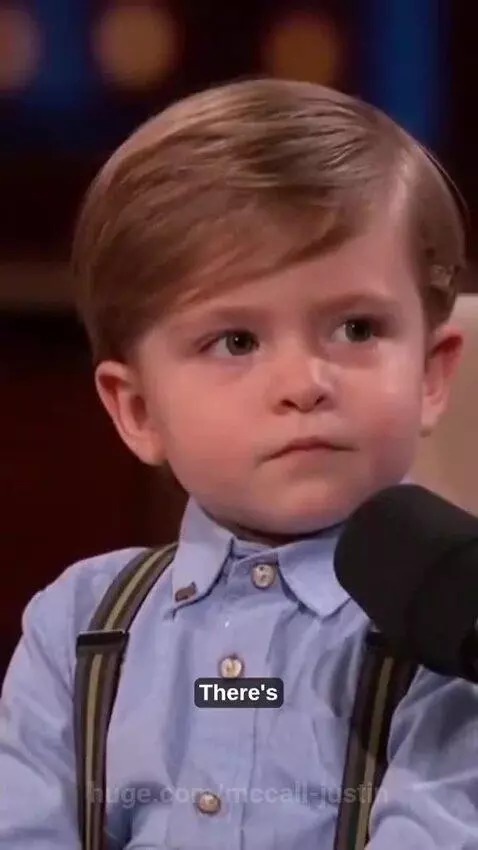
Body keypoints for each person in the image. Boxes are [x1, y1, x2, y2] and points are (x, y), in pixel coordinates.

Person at [1, 77, 477, 850]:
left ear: (430, 373)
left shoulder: (450, 632)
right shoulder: (78, 625)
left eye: (356, 328)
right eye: (236, 342)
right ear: (139, 411)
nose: (303, 385)